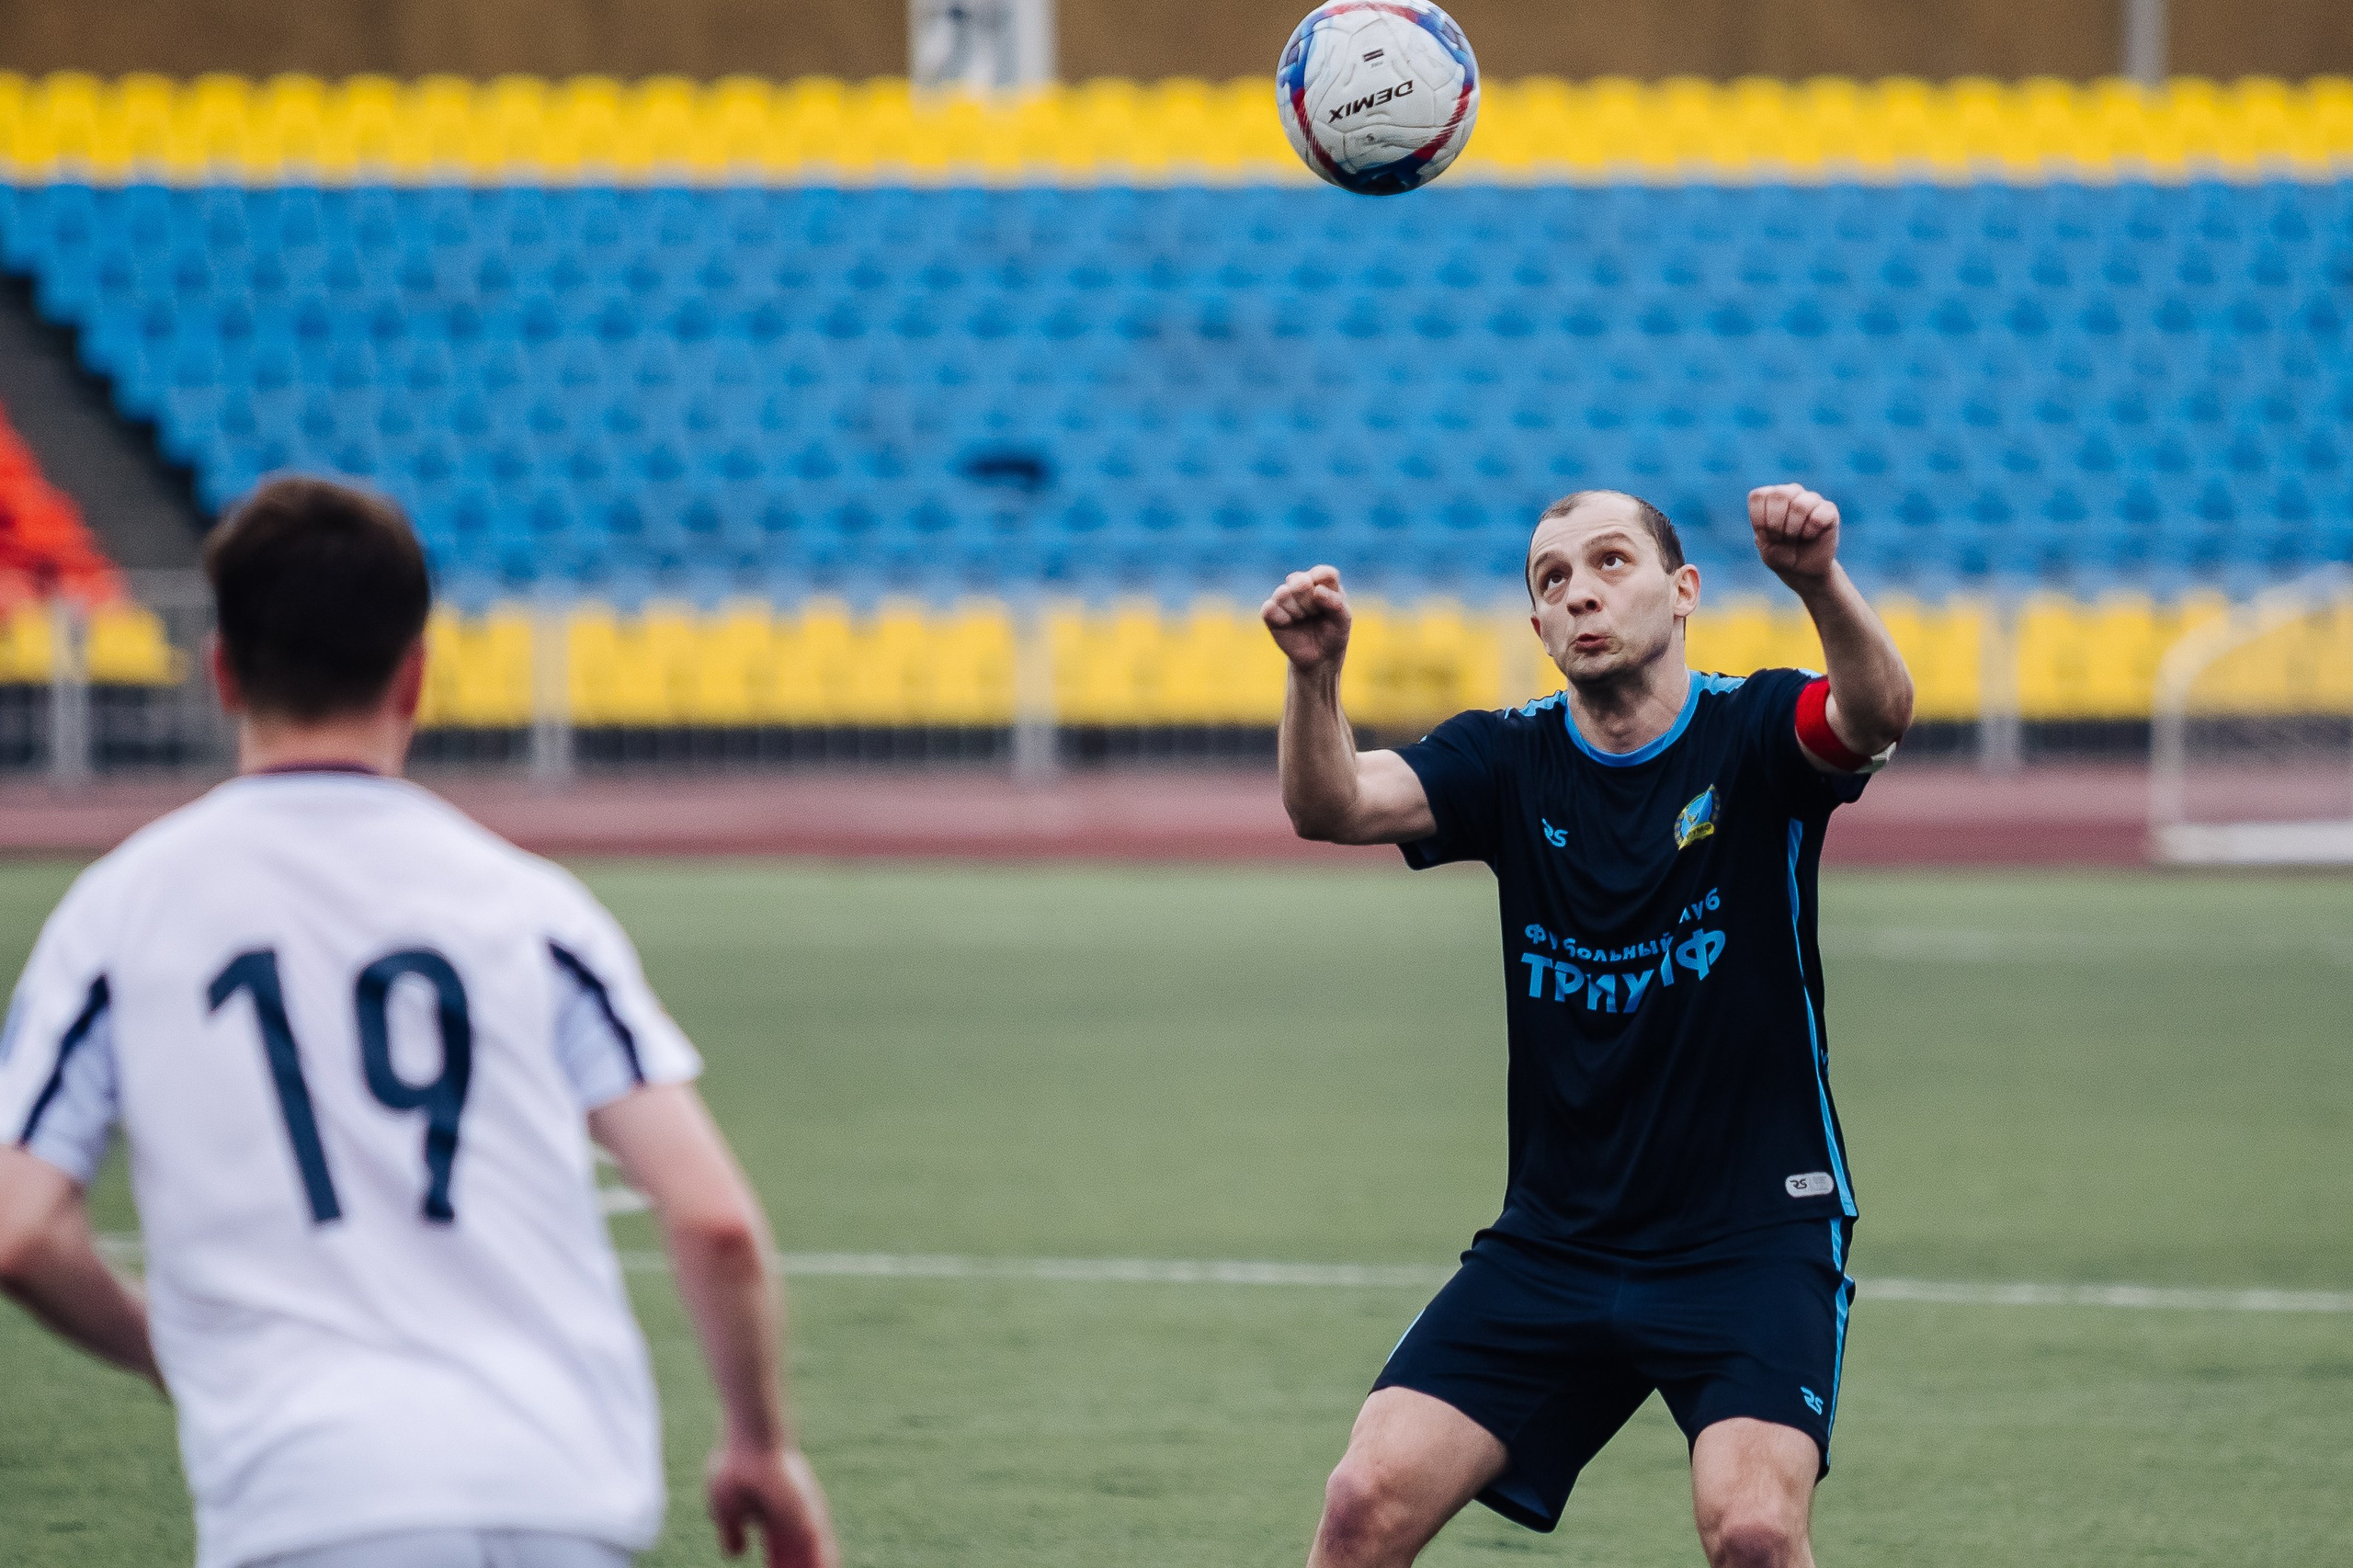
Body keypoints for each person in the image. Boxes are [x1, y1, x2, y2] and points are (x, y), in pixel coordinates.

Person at [0, 476, 837, 1568]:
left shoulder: (121, 912)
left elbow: (20, 1229)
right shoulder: (529, 906)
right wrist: (759, 1443)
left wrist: (181, 1349)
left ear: (220, 674)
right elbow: (714, 1218)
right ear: (416, 676)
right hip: (562, 1483)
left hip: (311, 1497)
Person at [1262, 484, 1914, 1568]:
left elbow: (1873, 716)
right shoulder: (1507, 759)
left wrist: (1815, 580)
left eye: (1611, 561)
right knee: (1362, 1500)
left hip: (1748, 1236)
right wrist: (1313, 673)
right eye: (1551, 579)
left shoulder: (1754, 731)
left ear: (1683, 589)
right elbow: (1331, 805)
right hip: (1557, 1239)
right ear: (1536, 627)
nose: (1579, 592)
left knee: (1752, 1529)